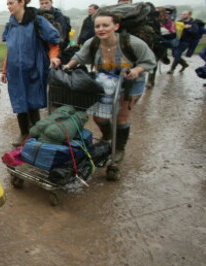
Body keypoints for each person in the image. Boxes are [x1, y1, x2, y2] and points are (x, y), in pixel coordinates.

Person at [63, 12, 156, 164]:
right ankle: (108, 136)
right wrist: (67, 66)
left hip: (129, 84)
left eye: (105, 25)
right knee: (99, 116)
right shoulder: (93, 43)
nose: (101, 29)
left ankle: (119, 148)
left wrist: (135, 71)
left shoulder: (133, 43)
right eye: (97, 26)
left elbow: (149, 62)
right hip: (105, 83)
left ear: (116, 26)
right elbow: (79, 57)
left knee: (121, 117)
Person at [2, 0, 61, 146]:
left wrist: (54, 56)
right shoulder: (10, 25)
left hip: (34, 68)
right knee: (19, 101)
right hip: (15, 70)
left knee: (32, 102)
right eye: (7, 3)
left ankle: (36, 134)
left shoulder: (37, 21)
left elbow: (53, 42)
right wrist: (4, 69)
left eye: (11, 3)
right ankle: (24, 133)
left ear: (22, 2)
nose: (9, 6)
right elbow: (10, 49)